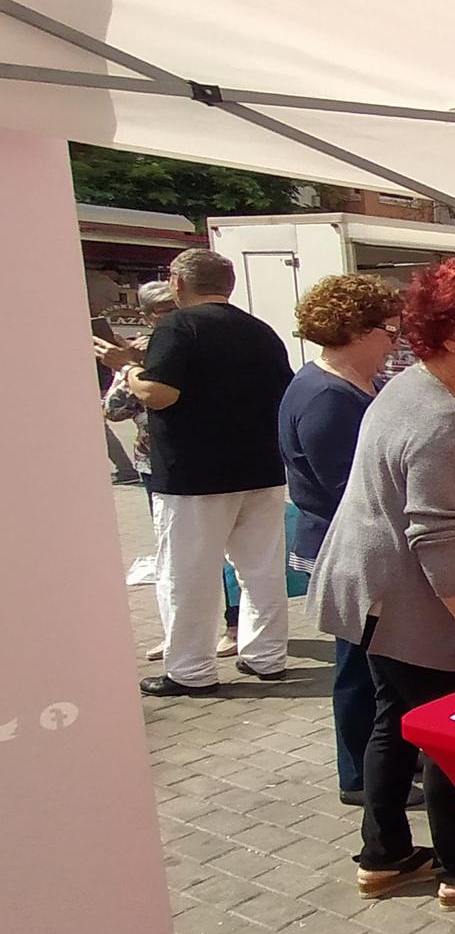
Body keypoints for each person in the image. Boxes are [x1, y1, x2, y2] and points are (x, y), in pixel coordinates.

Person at [312, 257, 455, 912]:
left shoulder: (409, 387)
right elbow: (432, 539)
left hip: (373, 594)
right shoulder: (436, 417)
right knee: (448, 734)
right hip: (405, 601)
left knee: (392, 719)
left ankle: (385, 853)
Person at [110, 249, 294, 697]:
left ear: (176, 281)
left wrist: (127, 368)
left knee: (187, 572)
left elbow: (159, 394)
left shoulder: (177, 326)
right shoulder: (261, 331)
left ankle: (190, 669)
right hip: (261, 467)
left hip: (195, 474)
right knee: (261, 568)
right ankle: (266, 655)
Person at [278, 274, 406, 808]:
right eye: (387, 330)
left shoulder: (361, 384)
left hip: (365, 543)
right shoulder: (326, 396)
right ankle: (358, 774)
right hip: (346, 549)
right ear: (355, 331)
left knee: (378, 661)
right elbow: (348, 488)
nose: (393, 341)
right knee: (359, 664)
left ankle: (384, 756)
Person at [101, 281, 238, 663]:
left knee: (226, 555)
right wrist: (132, 369)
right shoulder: (147, 350)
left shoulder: (191, 337)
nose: (171, 314)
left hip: (201, 465)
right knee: (175, 557)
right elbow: (114, 409)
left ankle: (233, 624)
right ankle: (179, 636)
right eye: (161, 311)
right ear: (148, 317)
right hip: (156, 465)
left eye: (173, 306)